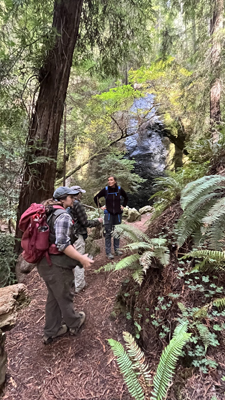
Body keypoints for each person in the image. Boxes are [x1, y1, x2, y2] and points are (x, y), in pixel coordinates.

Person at [37, 186, 94, 345]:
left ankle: (51, 330)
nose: (73, 199)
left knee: (54, 297)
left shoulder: (48, 212)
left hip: (44, 263)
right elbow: (62, 244)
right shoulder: (63, 216)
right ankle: (74, 323)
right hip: (56, 266)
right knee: (65, 295)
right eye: (70, 197)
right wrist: (82, 259)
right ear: (63, 199)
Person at [69, 185, 103, 293]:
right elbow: (85, 222)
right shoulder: (77, 204)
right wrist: (98, 221)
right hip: (77, 235)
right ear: (77, 194)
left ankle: (73, 282)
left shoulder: (66, 204)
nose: (81, 195)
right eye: (80, 193)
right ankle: (80, 286)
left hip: (69, 236)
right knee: (79, 259)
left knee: (73, 259)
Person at [94, 176, 128, 259]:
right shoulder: (105, 190)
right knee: (108, 233)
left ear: (115, 181)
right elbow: (96, 198)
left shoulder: (119, 189)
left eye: (111, 180)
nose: (109, 181)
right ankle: (108, 252)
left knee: (117, 232)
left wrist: (123, 205)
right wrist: (101, 207)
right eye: (108, 180)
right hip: (108, 214)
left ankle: (117, 250)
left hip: (118, 215)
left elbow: (126, 197)